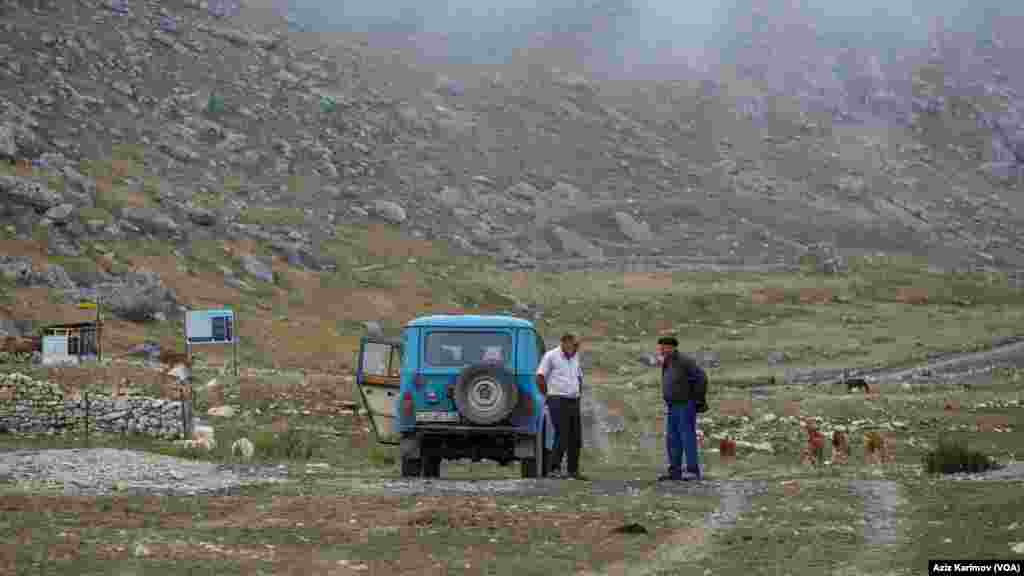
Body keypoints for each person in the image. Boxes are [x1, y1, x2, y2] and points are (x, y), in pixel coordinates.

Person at [536, 333, 587, 480]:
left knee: (576, 437)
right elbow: (539, 376)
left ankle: (573, 470)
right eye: (573, 345)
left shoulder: (575, 356)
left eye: (577, 345)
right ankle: (554, 469)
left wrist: (578, 392)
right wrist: (547, 395)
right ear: (564, 343)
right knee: (562, 434)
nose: (576, 348)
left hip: (573, 400)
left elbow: (579, 376)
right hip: (557, 399)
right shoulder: (551, 356)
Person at [656, 336, 706, 481]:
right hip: (673, 405)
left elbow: (701, 378)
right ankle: (675, 472)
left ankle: (692, 471)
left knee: (687, 437)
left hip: (685, 405)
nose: (660, 350)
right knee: (672, 439)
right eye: (660, 347)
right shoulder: (667, 362)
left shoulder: (685, 361)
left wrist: (697, 400)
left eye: (662, 347)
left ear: (671, 347)